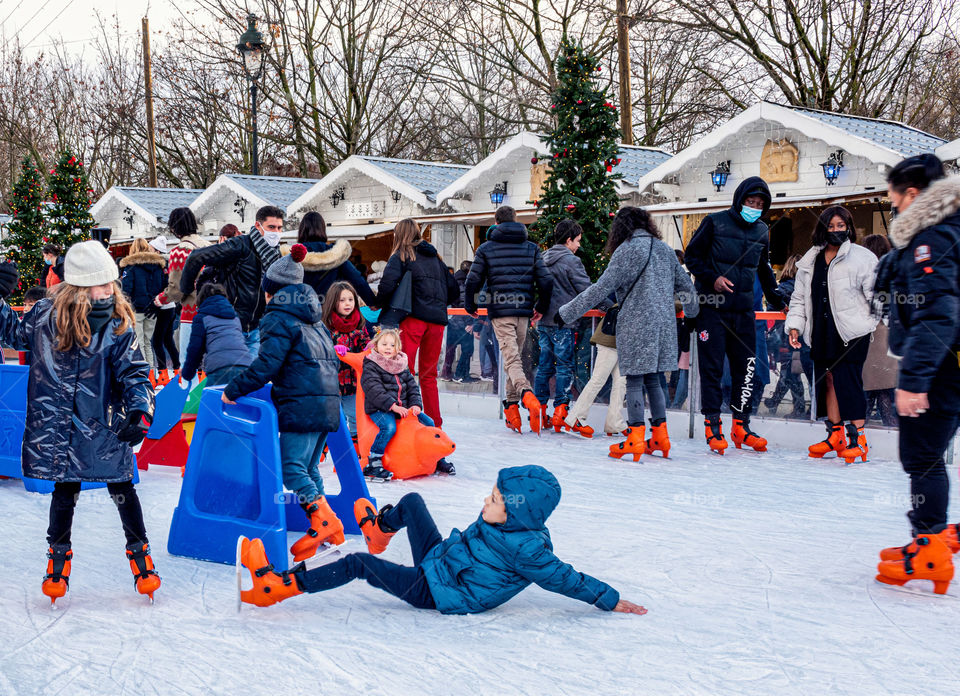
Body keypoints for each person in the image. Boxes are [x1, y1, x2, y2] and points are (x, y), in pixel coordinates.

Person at [237, 464, 647, 617]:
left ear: (518, 513)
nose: (486, 501)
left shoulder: (529, 551)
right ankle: (380, 531)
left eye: (495, 500)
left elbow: (566, 579)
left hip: (440, 592)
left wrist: (607, 598)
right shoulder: (506, 521)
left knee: (358, 564)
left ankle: (278, 586)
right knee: (413, 501)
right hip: (441, 562)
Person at [0, 242, 158, 604]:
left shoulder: (118, 325)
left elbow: (135, 373)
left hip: (103, 426)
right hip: (58, 430)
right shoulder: (44, 315)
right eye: (102, 285)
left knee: (122, 488)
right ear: (80, 286)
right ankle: (57, 562)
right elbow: (12, 333)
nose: (110, 291)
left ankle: (141, 556)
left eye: (111, 284)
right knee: (65, 492)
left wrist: (140, 410)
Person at [222, 244, 344, 563]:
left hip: (302, 407)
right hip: (328, 405)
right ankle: (332, 528)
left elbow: (267, 366)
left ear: (272, 291)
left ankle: (325, 520)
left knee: (291, 470)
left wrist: (234, 389)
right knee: (308, 468)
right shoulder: (314, 319)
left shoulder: (277, 318)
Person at [873, 154, 960, 594]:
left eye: (893, 195)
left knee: (922, 455)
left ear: (912, 194)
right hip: (947, 363)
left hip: (942, 366)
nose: (891, 204)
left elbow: (937, 315)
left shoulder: (933, 240)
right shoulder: (948, 231)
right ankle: (936, 537)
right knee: (932, 454)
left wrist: (914, 380)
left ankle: (928, 549)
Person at [559, 207, 698, 461]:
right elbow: (686, 286)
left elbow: (600, 289)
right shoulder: (666, 250)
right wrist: (692, 313)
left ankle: (634, 437)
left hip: (636, 324)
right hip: (664, 325)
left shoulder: (626, 250)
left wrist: (567, 312)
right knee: (655, 379)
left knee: (633, 380)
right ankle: (660, 436)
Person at [683, 176, 785, 454]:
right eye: (750, 201)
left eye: (760, 204)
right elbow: (692, 257)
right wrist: (713, 278)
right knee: (712, 370)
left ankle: (741, 426)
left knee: (747, 369)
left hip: (743, 312)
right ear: (740, 199)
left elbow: (763, 269)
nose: (754, 207)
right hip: (712, 309)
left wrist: (777, 300)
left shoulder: (762, 230)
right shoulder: (714, 222)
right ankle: (713, 427)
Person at [785, 206, 878, 462]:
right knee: (827, 381)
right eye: (831, 225)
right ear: (823, 228)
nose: (837, 230)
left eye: (842, 225)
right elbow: (799, 298)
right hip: (821, 331)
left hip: (851, 333)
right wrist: (795, 325)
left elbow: (878, 296)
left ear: (849, 227)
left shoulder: (863, 258)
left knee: (848, 382)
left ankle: (859, 440)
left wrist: (869, 322)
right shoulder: (810, 260)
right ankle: (835, 434)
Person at [464, 206, 554, 433]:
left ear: (496, 222)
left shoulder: (486, 248)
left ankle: (525, 393)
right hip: (524, 311)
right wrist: (540, 306)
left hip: (500, 310)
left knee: (512, 360)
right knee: (513, 359)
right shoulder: (531, 248)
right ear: (516, 221)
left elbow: (473, 280)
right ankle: (512, 410)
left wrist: (470, 305)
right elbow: (546, 281)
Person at [376, 219, 459, 429]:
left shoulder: (402, 255)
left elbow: (386, 285)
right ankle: (434, 426)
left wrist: (380, 304)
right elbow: (454, 290)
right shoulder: (437, 260)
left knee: (405, 371)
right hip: (437, 323)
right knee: (429, 376)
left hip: (412, 319)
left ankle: (406, 423)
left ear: (399, 235)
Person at [180, 205, 285, 358]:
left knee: (250, 378)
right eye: (271, 227)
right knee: (231, 375)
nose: (276, 232)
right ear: (258, 225)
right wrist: (188, 290)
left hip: (256, 327)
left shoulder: (276, 254)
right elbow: (196, 257)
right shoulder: (240, 245)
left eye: (279, 228)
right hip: (232, 325)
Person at [360, 328, 455, 478]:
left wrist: (415, 405)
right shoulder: (372, 365)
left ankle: (438, 459)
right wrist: (393, 406)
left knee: (429, 422)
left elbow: (412, 388)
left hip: (403, 409)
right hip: (381, 409)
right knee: (389, 427)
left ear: (397, 348)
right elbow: (374, 389)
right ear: (376, 346)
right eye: (384, 344)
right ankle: (374, 461)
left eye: (392, 345)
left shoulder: (401, 365)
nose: (388, 348)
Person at [536, 219, 597, 431]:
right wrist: (609, 305)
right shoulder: (571, 261)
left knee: (544, 367)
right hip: (564, 322)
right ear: (568, 240)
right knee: (564, 367)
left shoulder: (542, 258)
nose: (579, 245)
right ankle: (561, 410)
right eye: (578, 241)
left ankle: (540, 411)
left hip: (543, 321)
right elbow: (586, 290)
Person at [154, 208, 210, 360]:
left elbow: (177, 288)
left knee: (188, 361)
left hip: (191, 312)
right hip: (213, 310)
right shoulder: (209, 245)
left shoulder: (180, 251)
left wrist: (160, 299)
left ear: (173, 227)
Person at [560, 314, 628, 439]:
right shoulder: (625, 296)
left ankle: (615, 422)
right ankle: (575, 417)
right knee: (598, 379)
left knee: (621, 382)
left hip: (625, 343)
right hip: (609, 338)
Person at [321, 281, 372, 437]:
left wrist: (369, 346)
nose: (347, 304)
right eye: (342, 300)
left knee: (355, 415)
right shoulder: (325, 324)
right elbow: (318, 347)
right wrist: (332, 348)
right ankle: (326, 447)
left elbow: (365, 342)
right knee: (333, 417)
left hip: (352, 380)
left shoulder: (359, 322)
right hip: (332, 381)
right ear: (333, 301)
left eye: (350, 299)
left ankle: (355, 447)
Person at [763, 254, 810, 418]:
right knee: (791, 371)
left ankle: (796, 407)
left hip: (784, 337)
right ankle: (789, 404)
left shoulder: (783, 287)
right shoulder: (805, 287)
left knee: (790, 372)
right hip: (802, 336)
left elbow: (771, 308)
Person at [180, 283, 252, 387]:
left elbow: (195, 349)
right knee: (240, 402)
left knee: (212, 402)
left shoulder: (201, 318)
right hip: (245, 366)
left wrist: (187, 373)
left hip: (219, 369)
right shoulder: (234, 317)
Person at [297, 211, 376, 306]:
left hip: (299, 309)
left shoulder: (292, 255)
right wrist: (372, 302)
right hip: (328, 311)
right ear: (323, 229)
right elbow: (358, 280)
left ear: (302, 230)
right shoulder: (336, 254)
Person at [860, 234, 898, 426]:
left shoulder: (864, 271)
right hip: (887, 336)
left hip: (868, 335)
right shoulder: (892, 271)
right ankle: (889, 429)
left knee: (868, 387)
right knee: (884, 387)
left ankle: (856, 435)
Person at [120, 238, 166, 369]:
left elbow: (126, 289)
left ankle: (143, 374)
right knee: (147, 342)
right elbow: (162, 285)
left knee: (139, 343)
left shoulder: (130, 267)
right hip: (153, 308)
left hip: (137, 309)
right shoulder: (158, 266)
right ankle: (151, 372)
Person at [148, 236, 180, 371]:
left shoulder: (160, 266)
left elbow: (163, 285)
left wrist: (158, 300)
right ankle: (177, 365)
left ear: (157, 251)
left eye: (151, 248)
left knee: (157, 340)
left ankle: (162, 369)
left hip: (164, 306)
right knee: (167, 339)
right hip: (169, 306)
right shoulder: (166, 265)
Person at [442, 261, 476, 383]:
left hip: (453, 320)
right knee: (468, 349)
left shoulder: (455, 279)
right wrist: (469, 323)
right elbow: (463, 304)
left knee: (451, 348)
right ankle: (460, 375)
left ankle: (448, 374)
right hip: (461, 321)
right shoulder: (463, 282)